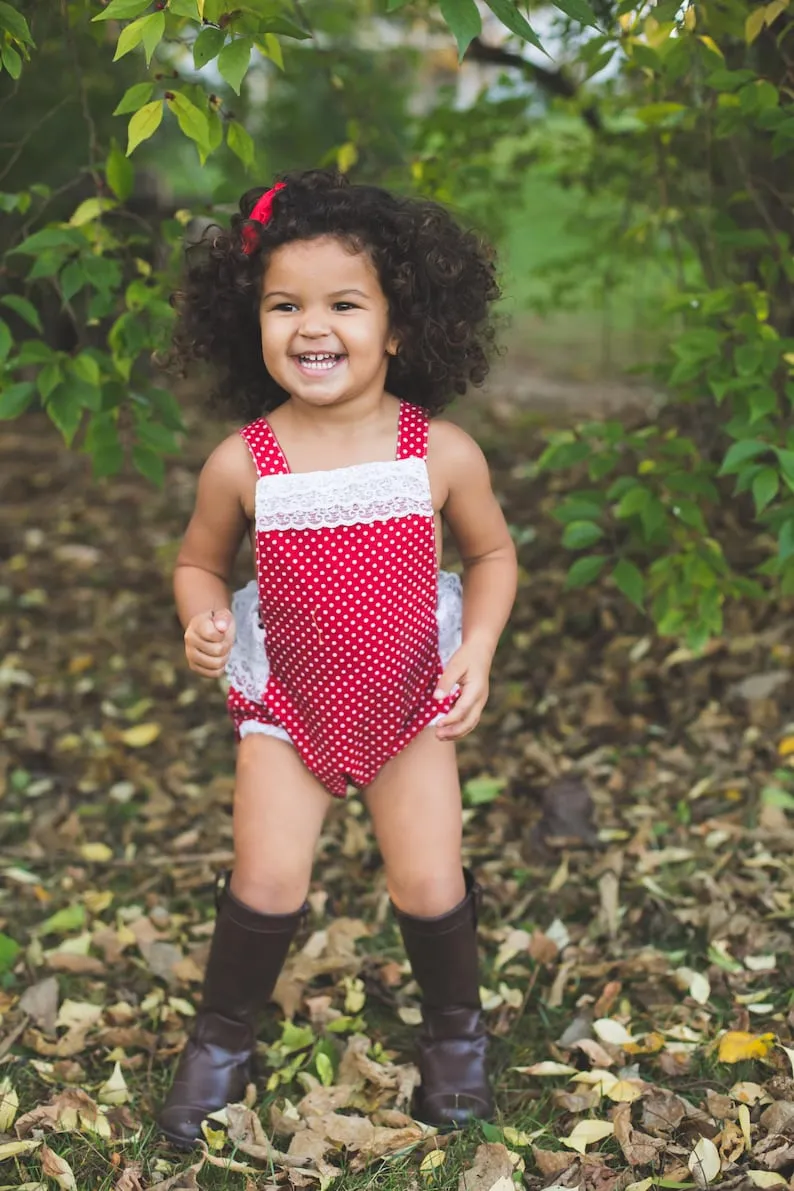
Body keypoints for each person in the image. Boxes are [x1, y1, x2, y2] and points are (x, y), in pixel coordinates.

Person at [159, 169, 517, 1148]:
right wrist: (202, 618)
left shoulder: (435, 453)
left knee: (427, 881)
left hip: (408, 704)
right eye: (285, 305)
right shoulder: (244, 461)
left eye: (343, 304)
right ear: (252, 321)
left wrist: (475, 649)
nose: (311, 327)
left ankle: (454, 1038)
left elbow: (490, 554)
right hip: (286, 705)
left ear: (400, 326)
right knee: (265, 880)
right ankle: (221, 1040)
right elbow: (198, 561)